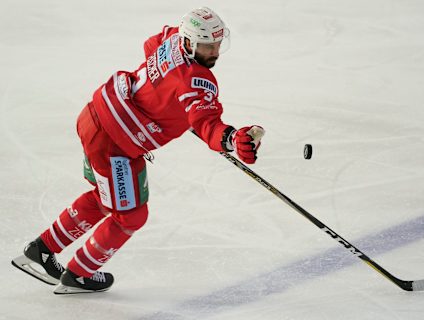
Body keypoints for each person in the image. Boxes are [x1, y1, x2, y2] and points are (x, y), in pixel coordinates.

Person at [11, 7, 264, 294]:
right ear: (190, 43)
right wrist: (233, 139)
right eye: (208, 45)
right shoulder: (196, 81)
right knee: (131, 215)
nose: (215, 51)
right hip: (114, 145)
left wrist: (168, 103)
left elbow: (151, 45)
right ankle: (78, 274)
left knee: (107, 199)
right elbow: (208, 126)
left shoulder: (173, 39)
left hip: (94, 117)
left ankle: (41, 250)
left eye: (218, 43)